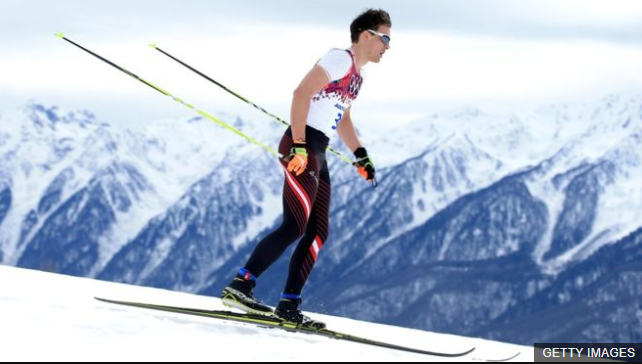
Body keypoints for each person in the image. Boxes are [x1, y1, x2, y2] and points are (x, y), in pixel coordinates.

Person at [221, 8, 391, 329]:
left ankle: (289, 305)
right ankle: (241, 285)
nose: (387, 47)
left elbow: (344, 120)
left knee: (317, 231)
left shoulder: (358, 75)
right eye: (385, 39)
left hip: (318, 149)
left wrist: (360, 155)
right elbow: (301, 94)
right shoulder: (340, 59)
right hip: (301, 146)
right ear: (365, 35)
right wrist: (298, 144)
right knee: (295, 225)